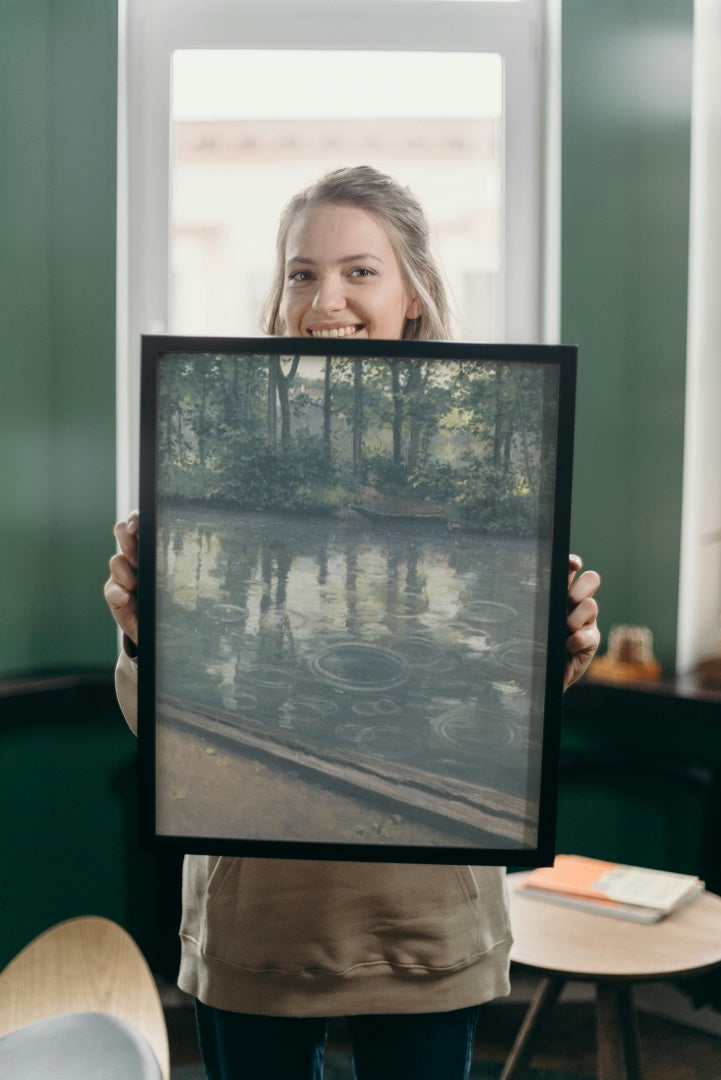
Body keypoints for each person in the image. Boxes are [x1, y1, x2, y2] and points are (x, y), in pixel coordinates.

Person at [105, 166, 601, 1080]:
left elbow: (492, 722)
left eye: (359, 271)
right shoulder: (211, 440)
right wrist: (145, 636)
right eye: (301, 272)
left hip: (425, 920)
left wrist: (555, 652)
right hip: (256, 922)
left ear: (412, 292)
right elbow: (171, 735)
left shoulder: (488, 448)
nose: (324, 298)